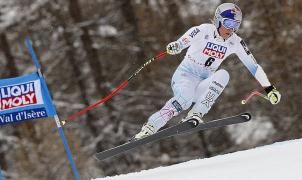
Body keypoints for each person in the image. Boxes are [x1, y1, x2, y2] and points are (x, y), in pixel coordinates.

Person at [134, 3, 281, 139]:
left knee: (224, 74)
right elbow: (183, 41)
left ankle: (197, 113)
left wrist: (269, 88)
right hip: (185, 76)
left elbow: (254, 66)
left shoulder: (236, 42)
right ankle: (150, 127)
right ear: (218, 20)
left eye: (236, 25)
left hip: (203, 82)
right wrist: (176, 46)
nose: (231, 29)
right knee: (184, 99)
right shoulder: (203, 30)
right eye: (228, 23)